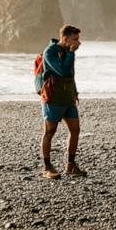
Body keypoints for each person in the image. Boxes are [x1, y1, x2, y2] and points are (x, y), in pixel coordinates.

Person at [40, 24, 87, 179]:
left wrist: (75, 92)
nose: (78, 42)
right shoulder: (50, 52)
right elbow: (63, 70)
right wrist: (72, 53)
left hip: (68, 98)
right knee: (50, 131)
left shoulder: (67, 51)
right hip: (53, 98)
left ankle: (70, 165)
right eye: (75, 39)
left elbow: (70, 75)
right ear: (65, 38)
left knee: (75, 130)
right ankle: (47, 167)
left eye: (78, 39)